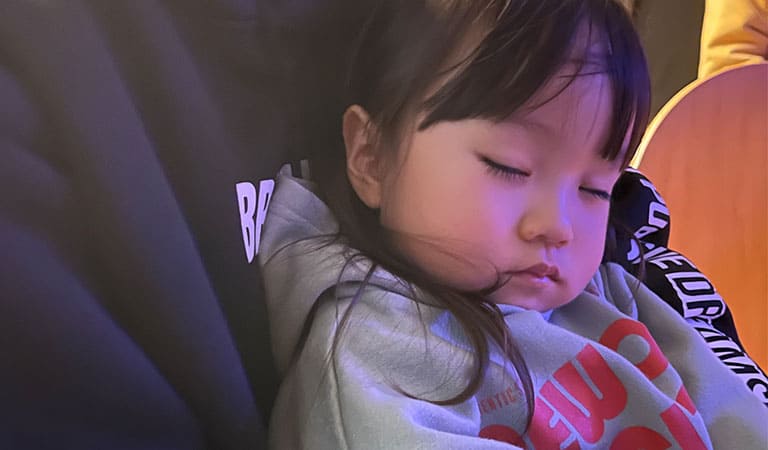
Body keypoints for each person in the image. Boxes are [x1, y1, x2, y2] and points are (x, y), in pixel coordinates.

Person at [259, 0, 768, 448]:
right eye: (509, 168)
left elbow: (735, 413)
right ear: (373, 158)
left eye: (596, 190)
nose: (558, 226)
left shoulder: (611, 292)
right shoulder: (376, 342)